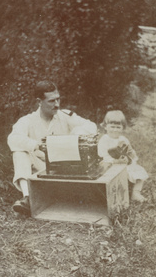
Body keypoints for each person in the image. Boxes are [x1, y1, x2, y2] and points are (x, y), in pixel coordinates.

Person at [7, 80, 97, 215]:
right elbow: (13, 139)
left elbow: (91, 126)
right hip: (42, 168)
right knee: (19, 152)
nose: (57, 105)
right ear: (39, 101)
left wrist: (74, 134)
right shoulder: (27, 120)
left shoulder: (65, 115)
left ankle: (73, 195)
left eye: (58, 99)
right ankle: (27, 198)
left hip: (66, 168)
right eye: (51, 101)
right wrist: (36, 145)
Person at [97, 110, 148, 203]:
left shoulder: (123, 139)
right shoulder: (104, 139)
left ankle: (135, 192)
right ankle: (114, 193)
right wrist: (114, 161)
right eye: (112, 127)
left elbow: (131, 152)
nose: (115, 130)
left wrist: (129, 159)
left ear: (123, 128)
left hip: (123, 164)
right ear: (105, 126)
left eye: (118, 127)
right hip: (109, 165)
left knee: (138, 170)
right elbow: (102, 155)